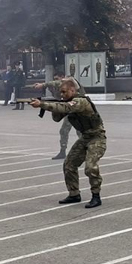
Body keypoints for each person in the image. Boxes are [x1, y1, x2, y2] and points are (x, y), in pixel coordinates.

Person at [30, 77, 106, 208]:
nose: (62, 94)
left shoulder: (80, 101)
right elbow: (57, 117)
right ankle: (74, 194)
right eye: (61, 92)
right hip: (85, 137)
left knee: (90, 166)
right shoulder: (67, 102)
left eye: (64, 92)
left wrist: (42, 104)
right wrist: (51, 106)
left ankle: (96, 196)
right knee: (69, 164)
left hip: (97, 137)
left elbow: (65, 108)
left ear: (72, 90)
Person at [33, 75, 76, 159]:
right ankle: (63, 151)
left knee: (80, 131)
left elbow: (56, 83)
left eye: (58, 78)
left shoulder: (68, 84)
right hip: (68, 110)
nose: (57, 81)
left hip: (75, 110)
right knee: (64, 131)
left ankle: (87, 150)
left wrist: (43, 85)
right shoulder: (59, 89)